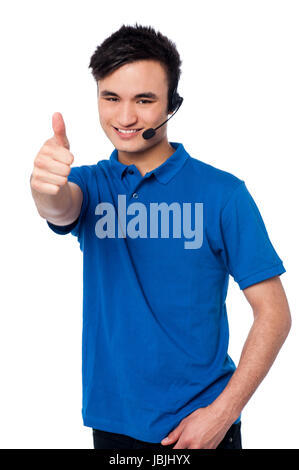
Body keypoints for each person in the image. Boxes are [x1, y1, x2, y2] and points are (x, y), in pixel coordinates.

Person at [30, 23, 291, 450]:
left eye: (144, 100)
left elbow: (275, 314)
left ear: (173, 104)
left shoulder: (223, 194)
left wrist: (221, 415)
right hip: (111, 428)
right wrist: (44, 186)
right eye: (111, 98)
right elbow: (60, 204)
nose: (125, 117)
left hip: (201, 431)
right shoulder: (91, 185)